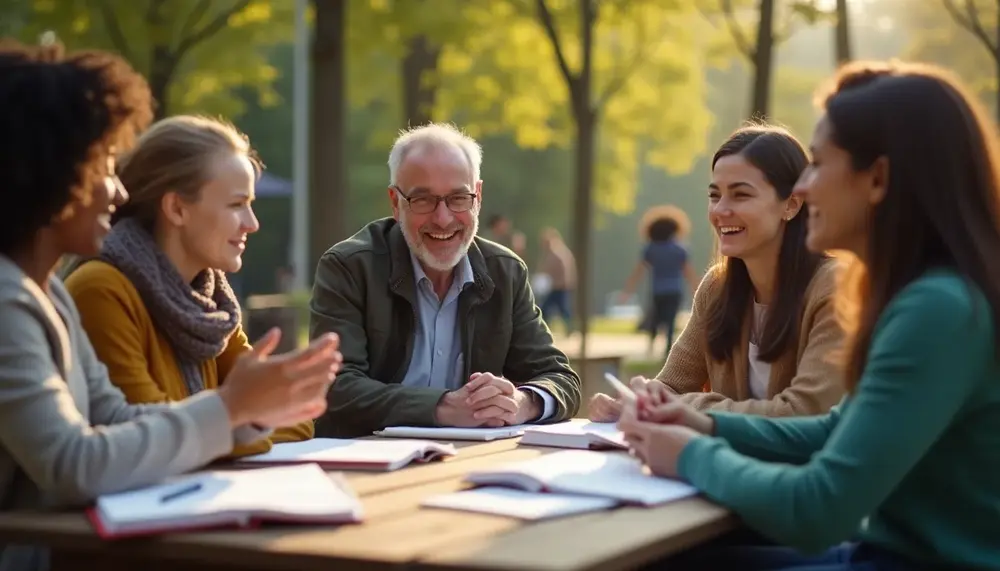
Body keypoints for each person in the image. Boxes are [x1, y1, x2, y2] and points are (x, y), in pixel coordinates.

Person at [622, 61, 1000, 571]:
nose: (807, 187)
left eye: (818, 164)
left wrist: (690, 454)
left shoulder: (937, 309)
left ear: (879, 178)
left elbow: (819, 509)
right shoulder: (924, 296)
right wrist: (701, 423)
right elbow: (831, 432)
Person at [0, 41, 339, 571]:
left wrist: (247, 414)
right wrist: (232, 408)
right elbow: (73, 463)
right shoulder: (11, 302)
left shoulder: (50, 295)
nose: (117, 191)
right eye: (102, 167)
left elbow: (115, 420)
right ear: (51, 173)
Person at [64, 115, 314, 457]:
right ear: (177, 208)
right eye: (236, 205)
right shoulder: (100, 291)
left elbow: (297, 418)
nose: (252, 224)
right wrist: (238, 421)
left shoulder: (210, 302)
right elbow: (152, 441)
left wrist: (231, 426)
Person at [310, 123, 581, 437]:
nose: (443, 218)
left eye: (458, 198)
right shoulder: (349, 267)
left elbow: (561, 379)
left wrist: (523, 402)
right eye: (423, 200)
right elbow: (334, 387)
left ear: (477, 197)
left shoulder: (505, 272)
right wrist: (443, 407)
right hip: (360, 467)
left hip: (463, 465)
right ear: (395, 203)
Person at [590, 124, 846, 421]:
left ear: (790, 205)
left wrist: (683, 407)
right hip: (720, 465)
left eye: (740, 195)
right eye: (715, 195)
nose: (720, 210)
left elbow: (804, 412)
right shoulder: (716, 288)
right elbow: (671, 387)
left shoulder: (835, 288)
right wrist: (631, 401)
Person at [619, 205, 700, 356]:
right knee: (670, 321)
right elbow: (688, 272)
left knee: (655, 317)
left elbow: (639, 271)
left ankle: (651, 345)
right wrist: (697, 290)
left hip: (657, 290)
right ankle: (667, 350)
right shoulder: (680, 249)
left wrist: (627, 291)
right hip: (675, 290)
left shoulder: (650, 248)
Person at [536, 227, 576, 335]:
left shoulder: (557, 254)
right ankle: (545, 329)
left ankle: (546, 330)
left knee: (557, 309)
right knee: (554, 309)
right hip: (557, 286)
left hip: (559, 287)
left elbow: (553, 270)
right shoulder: (558, 252)